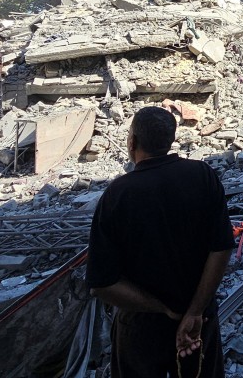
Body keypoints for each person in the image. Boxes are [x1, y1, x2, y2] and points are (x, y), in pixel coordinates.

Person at [87, 106, 233, 377]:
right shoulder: (202, 176)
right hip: (199, 326)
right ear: (171, 140)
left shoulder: (117, 195)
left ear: (132, 143)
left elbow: (102, 284)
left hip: (141, 330)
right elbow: (222, 246)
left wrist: (166, 310)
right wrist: (194, 312)